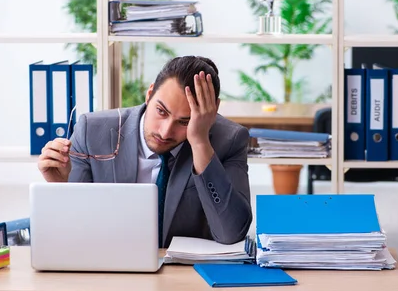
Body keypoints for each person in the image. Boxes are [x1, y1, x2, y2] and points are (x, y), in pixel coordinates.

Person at [37, 56, 252, 247]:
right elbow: (76, 232)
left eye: (184, 122)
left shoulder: (229, 141)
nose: (165, 131)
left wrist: (200, 142)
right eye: (161, 111)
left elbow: (230, 234)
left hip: (183, 280)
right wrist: (59, 187)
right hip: (110, 271)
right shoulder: (91, 132)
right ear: (149, 94)